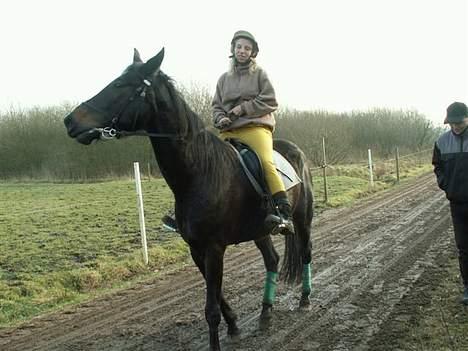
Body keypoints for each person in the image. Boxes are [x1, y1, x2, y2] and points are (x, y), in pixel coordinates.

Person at [162, 30, 294, 235]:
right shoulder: (223, 79)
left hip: (256, 128)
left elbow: (270, 101)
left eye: (247, 48)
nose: (242, 51)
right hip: (229, 130)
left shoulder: (260, 75)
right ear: (233, 49)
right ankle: (185, 216)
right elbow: (216, 106)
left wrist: (242, 109)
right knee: (201, 161)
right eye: (239, 47)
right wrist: (219, 118)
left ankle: (283, 212)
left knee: (266, 161)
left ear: (253, 53)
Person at [432, 101, 468, 305]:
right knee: (464, 248)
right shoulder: (441, 142)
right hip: (458, 204)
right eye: (452, 123)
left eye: (459, 123)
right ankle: (467, 287)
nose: (455, 126)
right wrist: (447, 185)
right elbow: (437, 167)